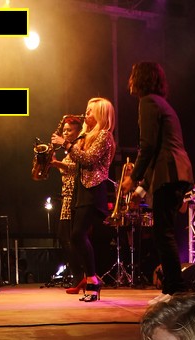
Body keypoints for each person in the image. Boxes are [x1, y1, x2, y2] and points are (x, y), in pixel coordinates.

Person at [121, 62, 194, 296]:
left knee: (164, 234)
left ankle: (175, 290)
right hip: (175, 172)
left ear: (140, 79)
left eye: (132, 76)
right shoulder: (160, 103)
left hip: (169, 173)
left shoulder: (148, 102)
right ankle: (172, 289)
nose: (129, 81)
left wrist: (133, 177)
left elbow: (148, 147)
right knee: (164, 232)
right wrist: (142, 189)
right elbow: (157, 149)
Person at [52, 98, 116, 301]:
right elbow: (77, 159)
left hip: (93, 190)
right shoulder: (86, 135)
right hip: (82, 189)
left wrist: (66, 144)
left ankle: (92, 280)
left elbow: (89, 160)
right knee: (75, 236)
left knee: (78, 234)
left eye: (90, 111)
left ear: (100, 114)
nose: (85, 114)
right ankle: (91, 280)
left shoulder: (104, 135)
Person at [49, 115, 83, 283]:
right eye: (64, 130)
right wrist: (53, 162)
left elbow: (76, 167)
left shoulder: (78, 146)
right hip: (67, 197)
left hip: (74, 197)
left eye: (69, 130)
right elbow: (67, 170)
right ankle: (78, 275)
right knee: (65, 237)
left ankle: (80, 275)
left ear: (77, 131)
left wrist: (57, 163)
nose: (66, 133)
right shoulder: (69, 150)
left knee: (68, 237)